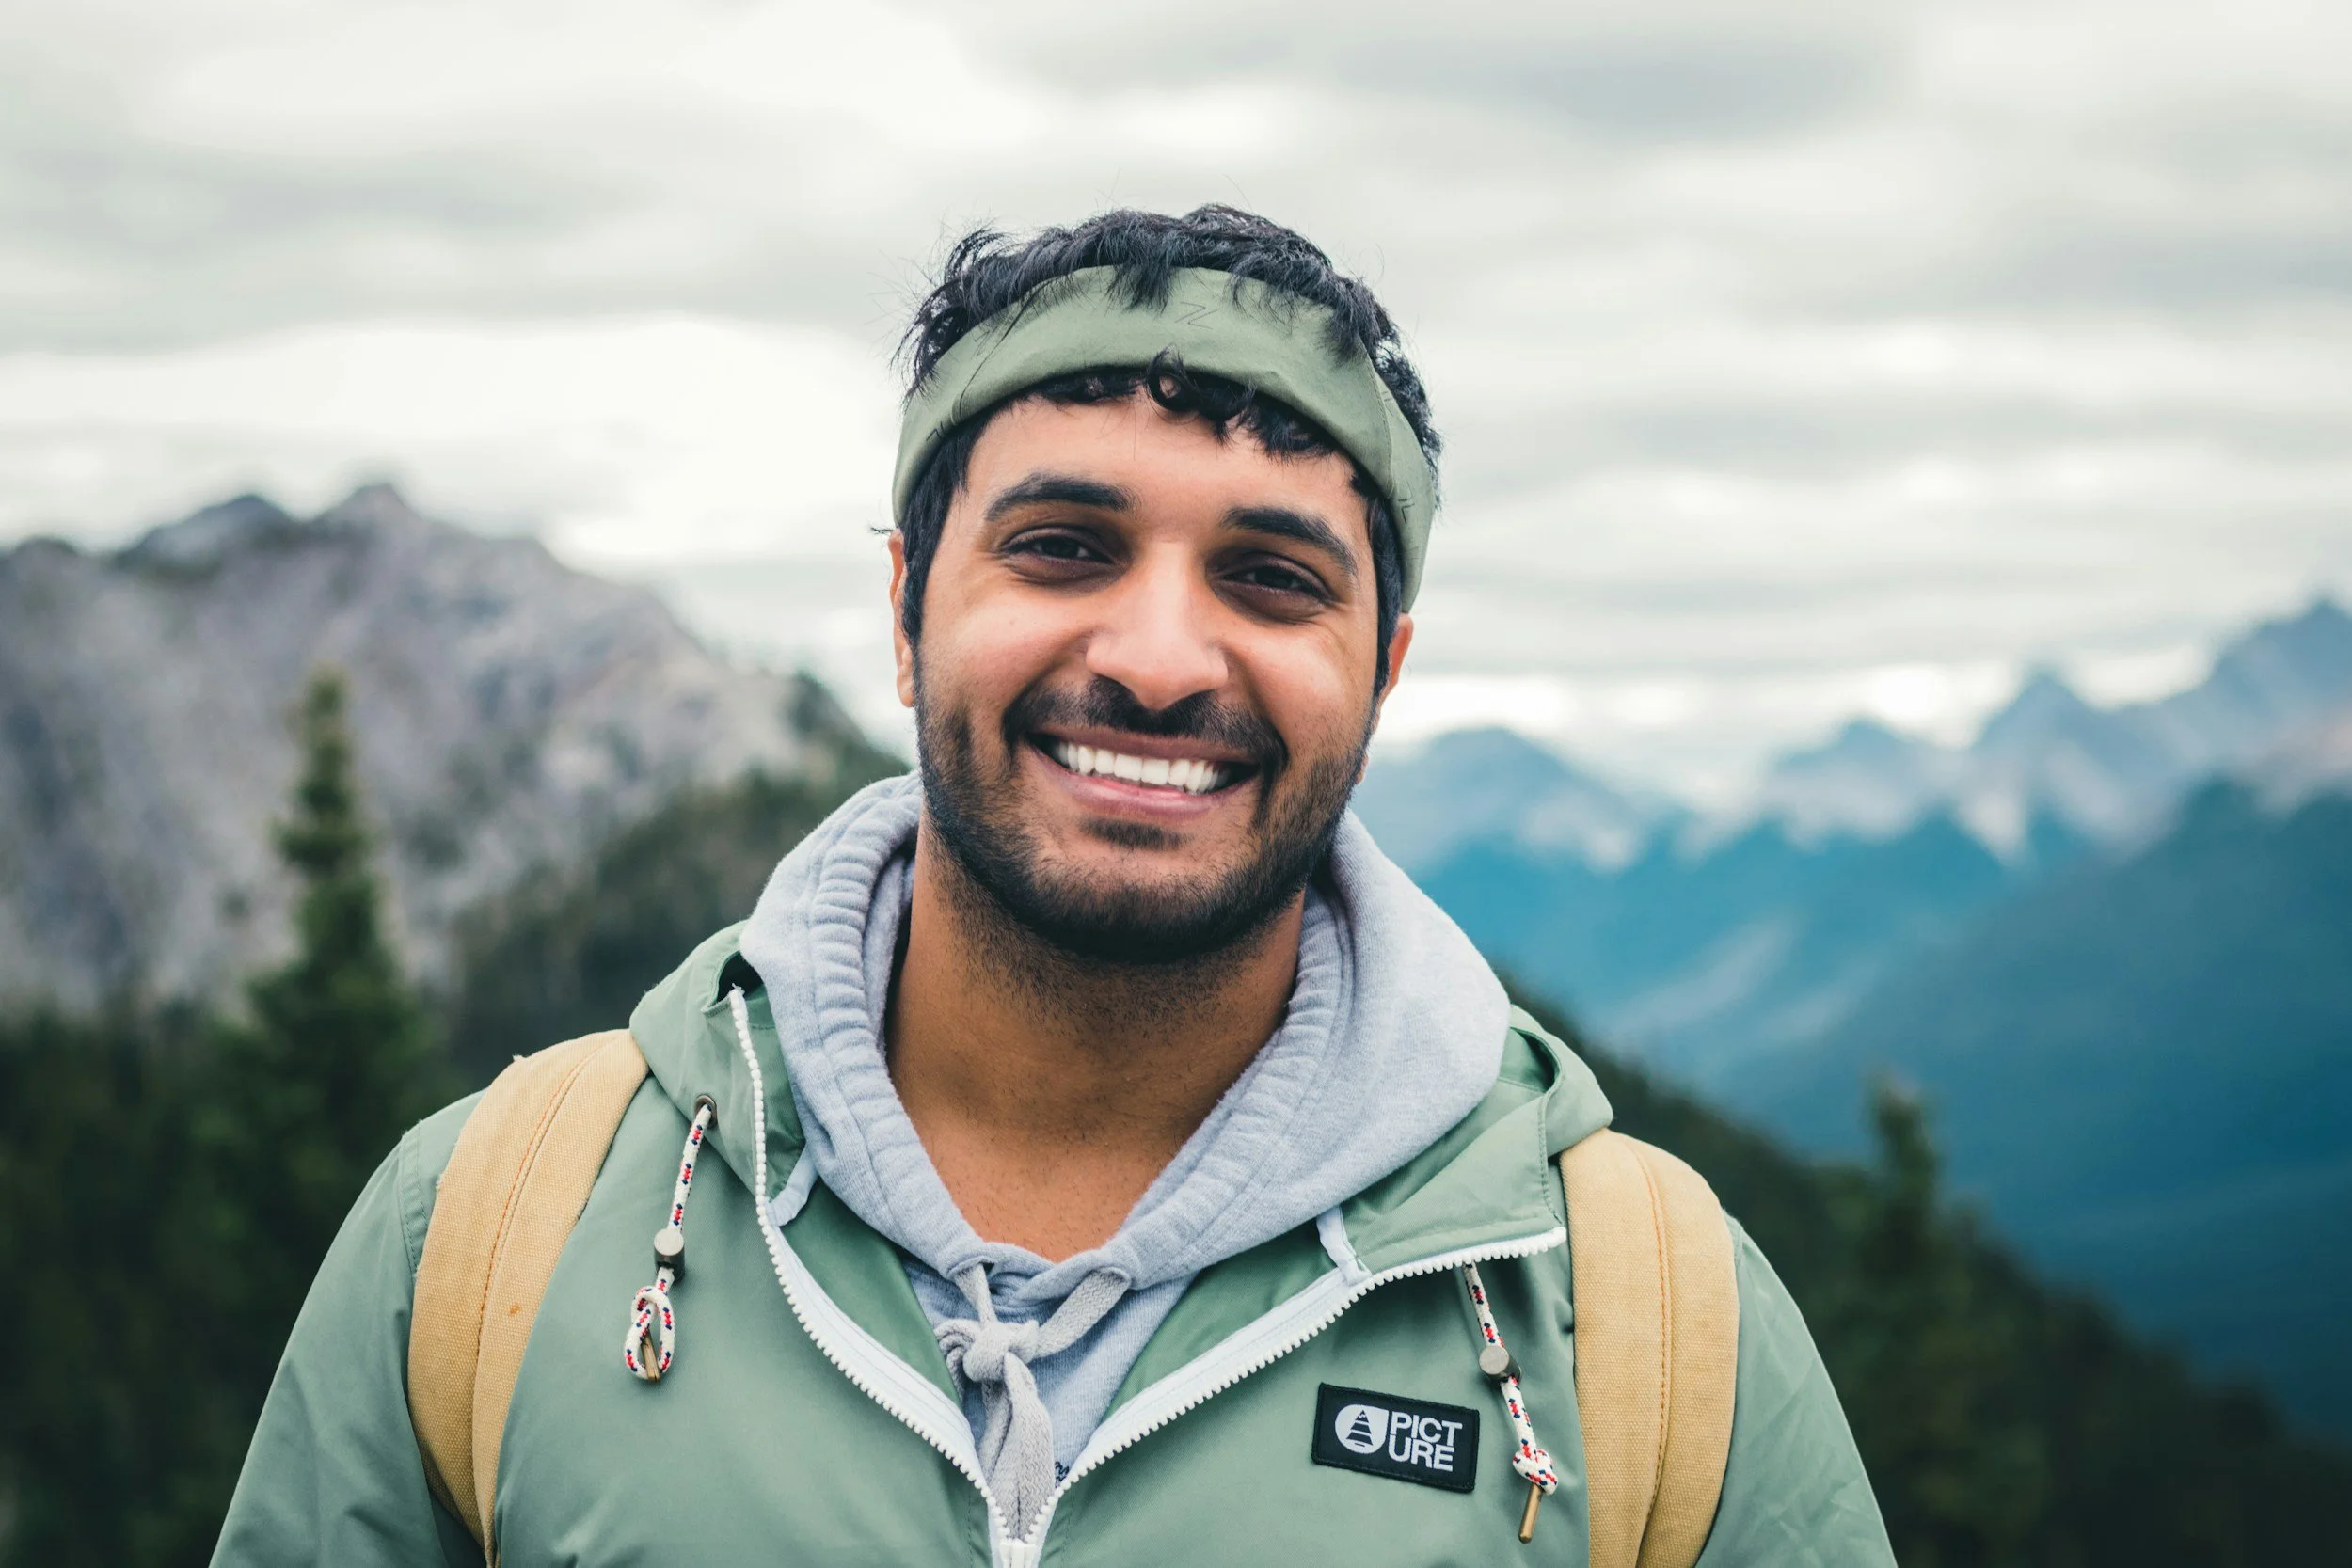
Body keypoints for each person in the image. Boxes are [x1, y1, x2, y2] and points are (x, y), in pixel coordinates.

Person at [214, 206, 1893, 1566]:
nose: (1160, 660)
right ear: (903, 611)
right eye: (1064, 546)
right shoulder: (495, 1231)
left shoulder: (1656, 1325)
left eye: (1270, 576)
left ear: (1380, 672)